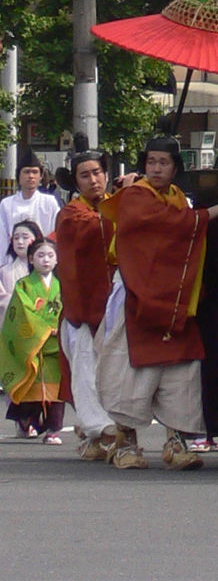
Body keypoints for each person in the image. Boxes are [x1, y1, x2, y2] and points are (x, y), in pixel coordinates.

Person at [95, 135, 218, 472]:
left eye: (164, 163)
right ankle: (126, 442)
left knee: (180, 369)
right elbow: (170, 226)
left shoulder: (175, 198)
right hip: (136, 292)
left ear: (176, 168)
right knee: (131, 372)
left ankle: (176, 442)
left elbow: (179, 232)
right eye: (151, 162)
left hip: (174, 294)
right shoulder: (135, 197)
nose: (156, 169)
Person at [54, 146, 119, 461]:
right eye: (85, 175)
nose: (94, 179)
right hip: (82, 311)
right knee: (86, 371)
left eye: (97, 172)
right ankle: (101, 429)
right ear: (75, 182)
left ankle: (97, 435)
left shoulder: (112, 206)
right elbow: (97, 229)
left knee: (114, 372)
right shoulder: (71, 215)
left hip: (114, 308)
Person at [0, 236, 64, 442]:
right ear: (30, 259)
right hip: (33, 343)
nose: (46, 260)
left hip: (55, 344)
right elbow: (22, 311)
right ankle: (27, 422)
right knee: (31, 387)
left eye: (50, 255)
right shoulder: (24, 285)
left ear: (57, 260)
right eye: (40, 255)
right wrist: (44, 329)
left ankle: (53, 429)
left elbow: (68, 308)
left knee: (56, 389)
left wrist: (59, 328)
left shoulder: (61, 285)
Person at [0, 148, 60, 263]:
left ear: (41, 176)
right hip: (13, 261)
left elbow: (56, 232)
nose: (31, 176)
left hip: (43, 260)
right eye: (27, 172)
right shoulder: (7, 204)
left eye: (35, 172)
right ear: (19, 175)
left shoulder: (49, 202)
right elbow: (2, 237)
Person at [0, 220, 41, 325]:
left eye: (25, 237)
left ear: (36, 239)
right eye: (16, 238)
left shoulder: (46, 271)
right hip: (12, 325)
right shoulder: (4, 272)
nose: (20, 242)